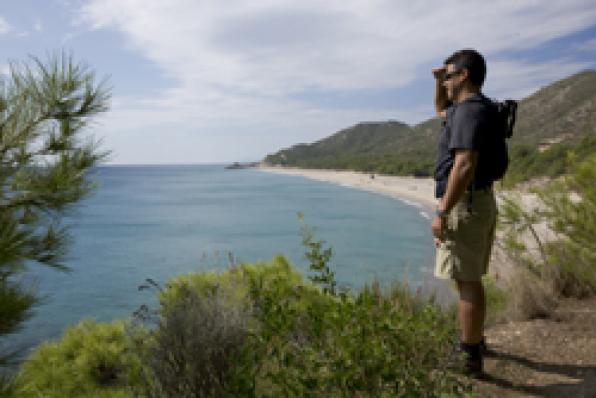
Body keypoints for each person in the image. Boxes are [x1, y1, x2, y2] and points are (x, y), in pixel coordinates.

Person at [431, 49, 498, 376]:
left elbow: (465, 164)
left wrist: (442, 212)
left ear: (464, 75)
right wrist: (437, 82)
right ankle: (476, 340)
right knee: (469, 279)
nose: (444, 82)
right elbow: (440, 109)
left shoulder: (469, 112)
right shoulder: (467, 109)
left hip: (464, 205)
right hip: (475, 201)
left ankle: (469, 356)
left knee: (467, 281)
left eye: (448, 76)